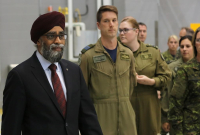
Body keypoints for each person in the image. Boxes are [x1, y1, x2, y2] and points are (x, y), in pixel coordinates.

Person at [1, 11, 103, 135]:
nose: (58, 41)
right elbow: (11, 128)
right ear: (38, 40)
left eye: (61, 36)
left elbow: (88, 120)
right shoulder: (20, 76)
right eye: (51, 36)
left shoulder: (74, 71)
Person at [79, 5, 137, 135]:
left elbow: (131, 85)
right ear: (99, 25)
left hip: (126, 121)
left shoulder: (128, 54)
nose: (111, 25)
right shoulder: (88, 56)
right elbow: (82, 93)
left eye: (114, 20)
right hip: (100, 121)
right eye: (106, 21)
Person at [119, 16, 171, 135]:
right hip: (126, 103)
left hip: (148, 105)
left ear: (136, 31)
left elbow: (167, 77)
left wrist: (152, 82)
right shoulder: (117, 54)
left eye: (125, 30)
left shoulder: (152, 52)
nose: (122, 33)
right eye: (120, 30)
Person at [168, 27, 200, 134]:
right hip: (192, 129)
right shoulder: (186, 69)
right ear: (195, 43)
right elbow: (175, 105)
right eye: (198, 40)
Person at [161, 35, 194, 135]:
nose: (184, 49)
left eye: (188, 46)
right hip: (177, 118)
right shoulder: (172, 67)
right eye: (182, 46)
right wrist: (165, 118)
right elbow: (166, 94)